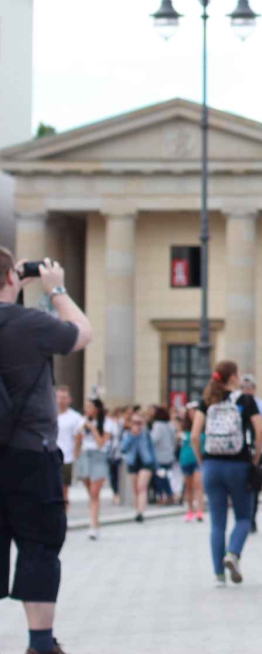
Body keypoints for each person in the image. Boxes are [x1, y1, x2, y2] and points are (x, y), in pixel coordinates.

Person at [0, 253, 92, 654]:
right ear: (9, 276)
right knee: (39, 547)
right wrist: (55, 287)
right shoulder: (28, 324)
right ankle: (39, 644)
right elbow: (81, 333)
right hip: (30, 455)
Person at [191, 359, 262, 586]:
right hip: (239, 464)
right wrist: (254, 458)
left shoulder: (207, 401)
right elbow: (260, 431)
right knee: (243, 516)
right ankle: (232, 554)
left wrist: (202, 461)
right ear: (233, 377)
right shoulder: (246, 400)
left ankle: (219, 574)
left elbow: (195, 436)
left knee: (217, 523)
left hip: (212, 465)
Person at [238, 374, 262, 531]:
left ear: (254, 389)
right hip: (240, 450)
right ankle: (242, 516)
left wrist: (258, 430)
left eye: (249, 387)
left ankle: (251, 517)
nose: (246, 390)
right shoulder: (236, 404)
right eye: (243, 388)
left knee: (254, 485)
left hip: (258, 450)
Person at [72, 399, 109, 540]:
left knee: (94, 493)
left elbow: (101, 443)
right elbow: (78, 441)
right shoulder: (81, 422)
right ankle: (95, 521)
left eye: (90, 407)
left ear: (97, 409)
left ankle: (93, 525)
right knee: (92, 495)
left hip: (98, 457)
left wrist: (92, 428)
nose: (86, 409)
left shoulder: (106, 423)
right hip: (84, 457)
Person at [116, 411, 157, 523]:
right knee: (135, 489)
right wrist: (132, 436)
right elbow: (123, 448)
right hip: (132, 462)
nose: (137, 425)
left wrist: (155, 464)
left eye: (139, 422)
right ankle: (137, 510)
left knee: (141, 487)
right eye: (134, 422)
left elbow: (152, 449)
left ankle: (141, 512)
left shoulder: (147, 433)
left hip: (146, 462)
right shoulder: (127, 434)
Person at [53, 390, 83, 514]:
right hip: (50, 456)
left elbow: (79, 436)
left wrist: (76, 452)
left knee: (64, 489)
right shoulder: (50, 413)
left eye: (64, 397)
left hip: (66, 457)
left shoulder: (75, 417)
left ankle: (63, 515)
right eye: (59, 397)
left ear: (69, 399)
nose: (61, 400)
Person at [176, 411, 202, 522]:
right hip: (186, 459)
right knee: (189, 487)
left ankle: (199, 510)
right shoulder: (183, 429)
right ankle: (190, 510)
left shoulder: (203, 427)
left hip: (198, 459)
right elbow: (177, 440)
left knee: (198, 485)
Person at [148, 405, 177, 506]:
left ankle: (164, 496)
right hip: (169, 454)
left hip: (160, 456)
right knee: (166, 476)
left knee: (160, 477)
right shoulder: (170, 425)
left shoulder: (158, 425)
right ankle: (169, 495)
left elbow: (154, 439)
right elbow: (174, 440)